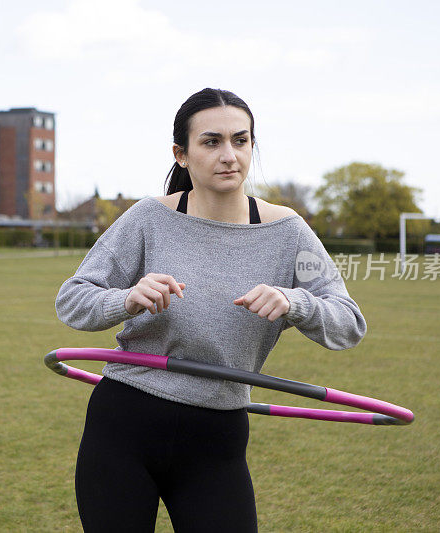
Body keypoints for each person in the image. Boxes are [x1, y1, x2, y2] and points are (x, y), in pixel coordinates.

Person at [55, 88, 367, 532]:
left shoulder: (289, 232)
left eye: (241, 141)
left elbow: (349, 323)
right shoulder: (148, 218)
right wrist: (125, 299)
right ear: (181, 154)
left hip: (217, 439)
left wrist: (295, 302)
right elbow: (72, 299)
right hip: (125, 425)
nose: (229, 155)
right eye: (211, 141)